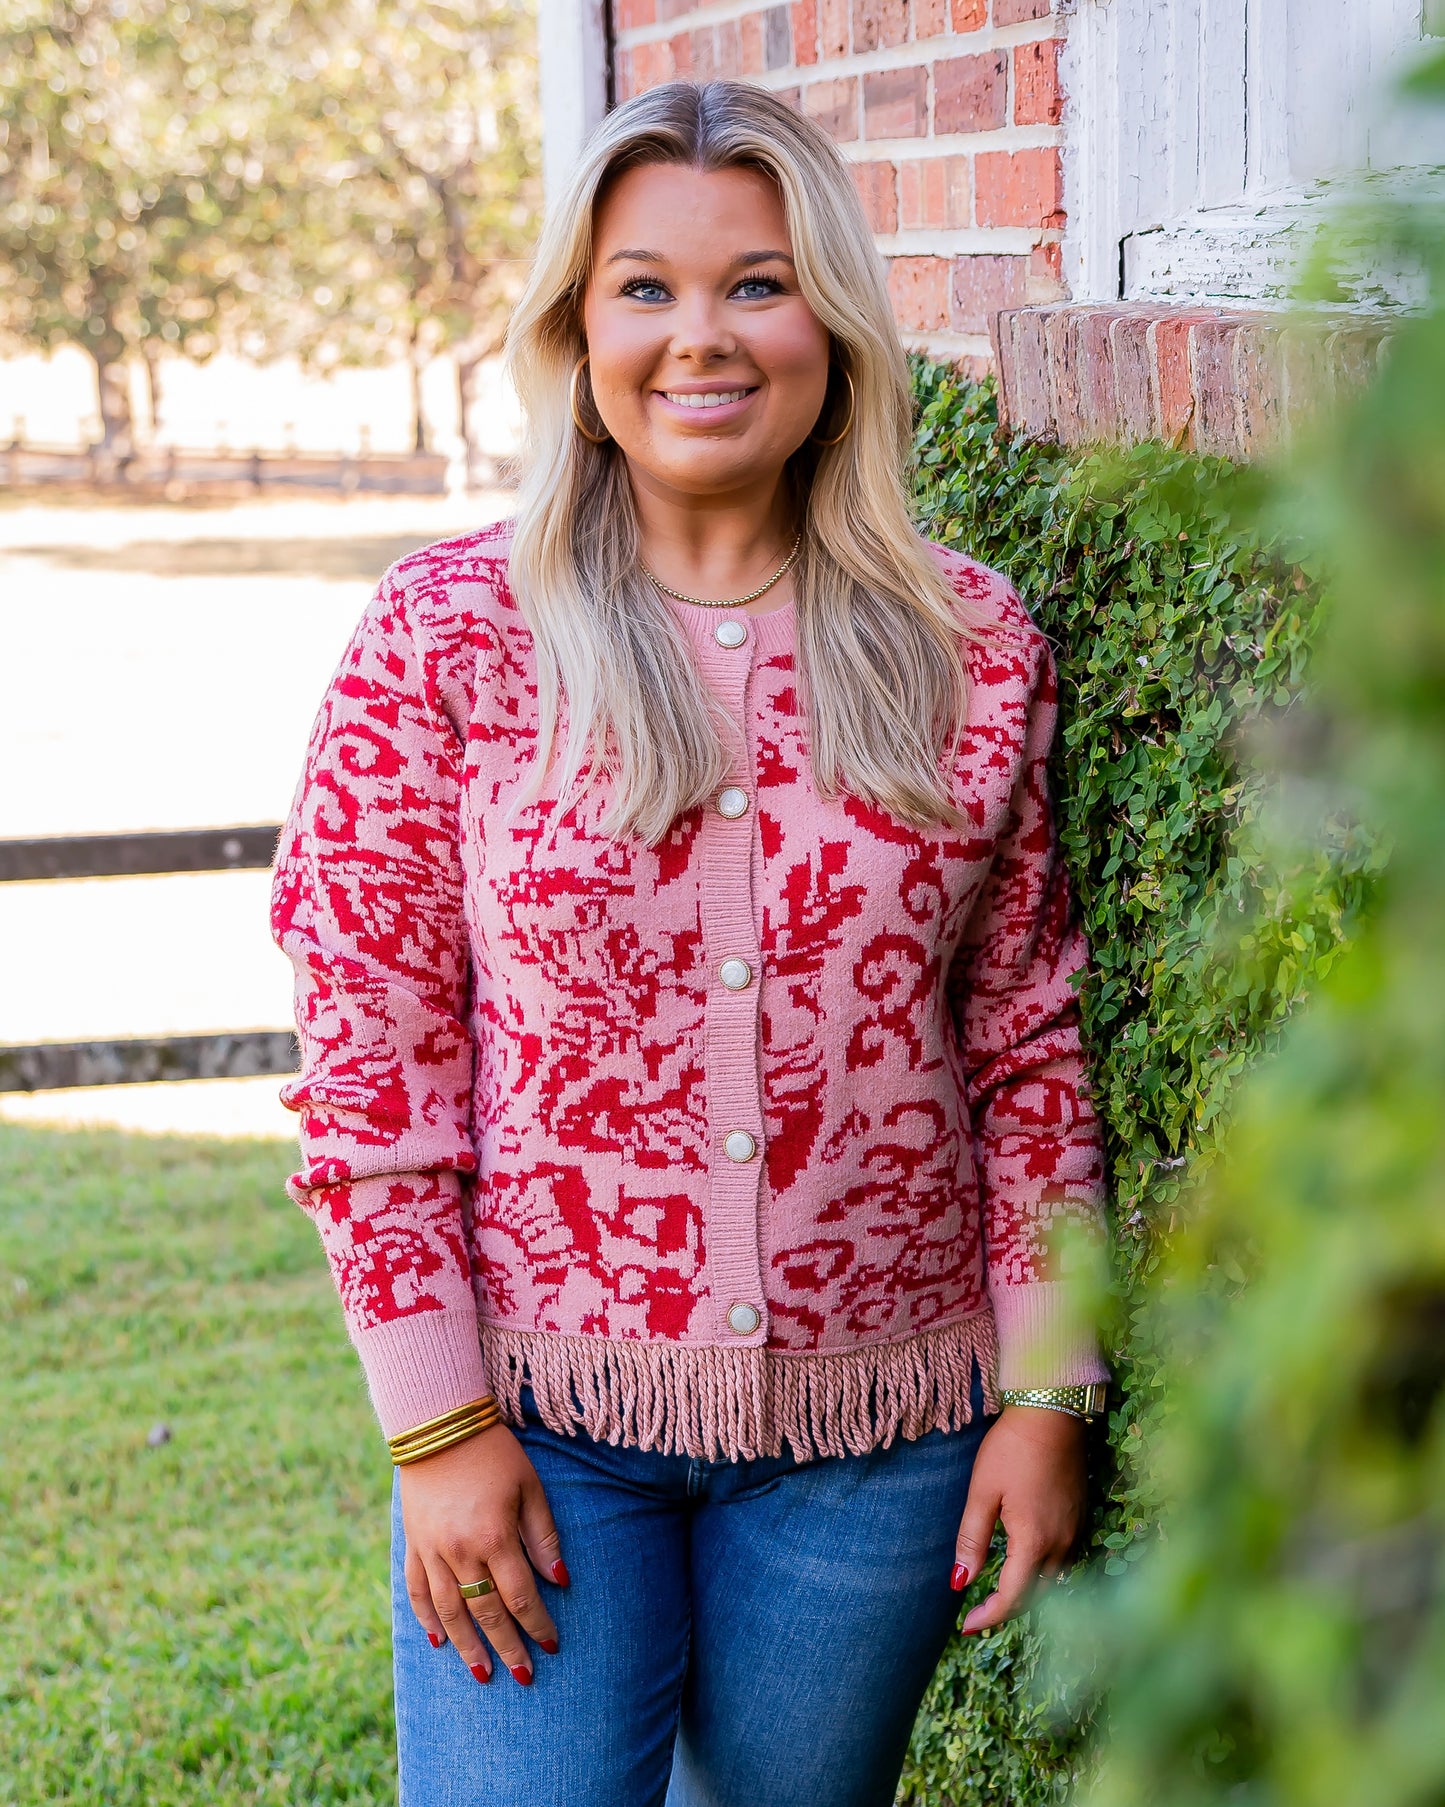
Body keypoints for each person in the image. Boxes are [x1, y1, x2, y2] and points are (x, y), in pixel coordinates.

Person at [271, 77, 1108, 1807]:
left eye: (757, 283)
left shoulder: (971, 643)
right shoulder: (447, 636)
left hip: (874, 1444)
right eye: (643, 286)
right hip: (538, 1430)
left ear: (832, 323)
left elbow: (1024, 1043)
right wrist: (436, 1428)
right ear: (577, 328)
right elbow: (370, 1057)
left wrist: (1046, 1394)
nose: (699, 335)